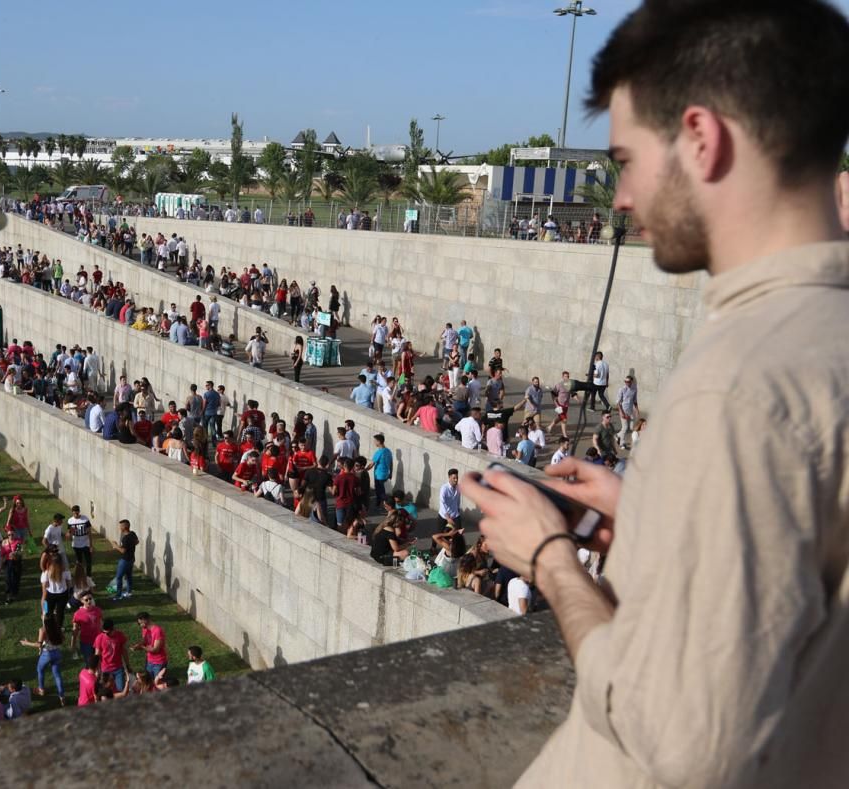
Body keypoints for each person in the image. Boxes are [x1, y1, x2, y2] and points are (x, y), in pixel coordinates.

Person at [459, 3, 849, 785]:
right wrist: (648, 517)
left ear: (702, 139)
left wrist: (550, 558)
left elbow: (690, 744)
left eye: (626, 161)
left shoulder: (740, 385)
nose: (621, 199)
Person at [20, 615, 66, 705]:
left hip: (47, 654)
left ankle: (41, 690)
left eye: (43, 616)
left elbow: (38, 645)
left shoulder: (43, 630)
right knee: (57, 675)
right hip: (57, 653)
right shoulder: (57, 627)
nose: (42, 615)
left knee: (40, 670)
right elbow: (63, 639)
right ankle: (62, 697)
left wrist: (26, 643)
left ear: (44, 620)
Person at [93, 618, 130, 692]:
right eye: (104, 632)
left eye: (107, 633)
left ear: (113, 629)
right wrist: (97, 669)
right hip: (105, 670)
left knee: (120, 690)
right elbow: (97, 655)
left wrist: (127, 665)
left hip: (118, 669)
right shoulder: (99, 638)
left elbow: (124, 651)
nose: (105, 634)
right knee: (106, 691)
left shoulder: (120, 636)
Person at [134, 611, 169, 679]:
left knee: (157, 683)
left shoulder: (157, 631)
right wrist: (138, 645)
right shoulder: (145, 629)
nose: (141, 625)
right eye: (139, 623)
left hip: (159, 662)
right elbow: (144, 641)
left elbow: (155, 650)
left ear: (146, 620)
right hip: (149, 660)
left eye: (141, 623)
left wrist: (141, 647)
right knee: (148, 681)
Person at [363, 433, 393, 510]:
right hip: (386, 474)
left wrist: (364, 470)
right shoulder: (388, 451)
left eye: (375, 441)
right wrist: (391, 473)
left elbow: (372, 464)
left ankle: (386, 504)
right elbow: (391, 463)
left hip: (379, 475)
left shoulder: (379, 452)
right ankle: (379, 503)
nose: (374, 442)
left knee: (380, 491)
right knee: (382, 490)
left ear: (379, 441)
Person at [71, 592, 103, 662]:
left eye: (90, 599)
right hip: (86, 642)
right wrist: (73, 644)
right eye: (86, 600)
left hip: (98, 640)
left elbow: (100, 624)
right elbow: (75, 630)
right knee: (89, 662)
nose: (89, 601)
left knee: (101, 661)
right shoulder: (77, 614)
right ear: (82, 601)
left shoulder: (97, 610)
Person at [113, 519, 138, 600]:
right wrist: (130, 546)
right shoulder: (133, 534)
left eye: (121, 526)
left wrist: (115, 545)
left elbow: (123, 551)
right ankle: (129, 592)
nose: (120, 527)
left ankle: (118, 595)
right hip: (131, 559)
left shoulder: (125, 538)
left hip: (125, 560)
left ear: (125, 527)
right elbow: (137, 542)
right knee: (129, 576)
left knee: (119, 577)